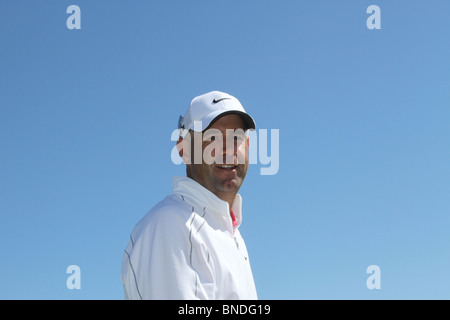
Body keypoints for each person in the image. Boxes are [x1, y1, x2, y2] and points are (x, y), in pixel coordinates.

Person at [121, 91, 258, 299]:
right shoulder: (173, 224)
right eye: (212, 138)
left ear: (247, 147)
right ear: (184, 150)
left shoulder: (230, 233)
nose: (227, 150)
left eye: (236, 138)